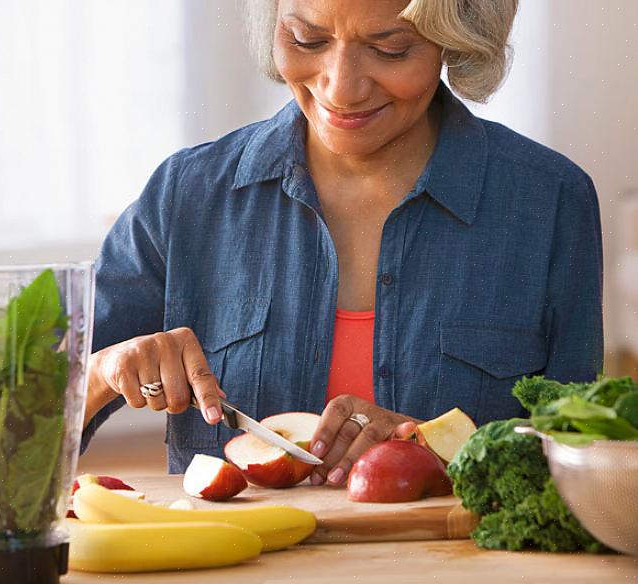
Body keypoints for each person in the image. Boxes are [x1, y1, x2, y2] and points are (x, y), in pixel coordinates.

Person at [80, 0, 603, 487]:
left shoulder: (549, 201)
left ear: (456, 37)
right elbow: (12, 434)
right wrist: (106, 371)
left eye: (391, 49)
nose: (341, 88)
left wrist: (435, 450)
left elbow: (587, 462)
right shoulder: (187, 195)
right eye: (307, 40)